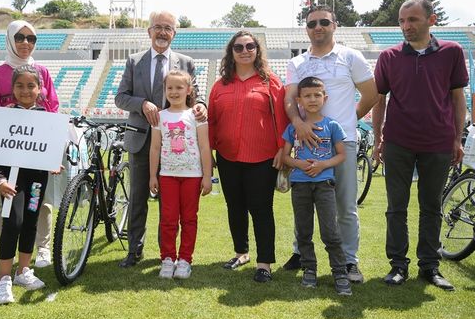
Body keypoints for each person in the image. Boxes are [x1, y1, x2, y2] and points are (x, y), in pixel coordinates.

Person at [371, 0, 468, 291]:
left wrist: (456, 138)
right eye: (402, 21)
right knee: (395, 207)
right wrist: (378, 138)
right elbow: (379, 100)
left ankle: (430, 266)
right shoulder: (388, 57)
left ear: (431, 20)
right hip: (398, 142)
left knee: (431, 207)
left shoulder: (452, 52)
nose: (406, 26)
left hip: (438, 143)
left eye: (412, 19)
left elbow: (457, 98)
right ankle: (398, 266)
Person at [283, 5, 378, 283]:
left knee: (345, 206)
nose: (318, 27)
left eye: (324, 22)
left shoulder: (351, 56)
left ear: (335, 25)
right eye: (312, 24)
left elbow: (371, 95)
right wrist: (298, 123)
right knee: (303, 202)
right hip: (306, 143)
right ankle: (301, 253)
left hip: (343, 143)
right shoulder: (297, 63)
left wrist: (347, 121)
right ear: (307, 29)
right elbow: (290, 99)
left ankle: (349, 261)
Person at [114, 11, 207, 268]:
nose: (163, 32)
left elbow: (196, 95)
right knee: (138, 198)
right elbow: (120, 97)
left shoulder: (186, 62)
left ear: (174, 33)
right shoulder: (134, 61)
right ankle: (135, 250)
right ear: (149, 32)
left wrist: (201, 105)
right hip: (142, 141)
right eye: (158, 27)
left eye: (168, 28)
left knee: (171, 205)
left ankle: (166, 255)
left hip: (178, 144)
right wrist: (142, 103)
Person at [208, 30, 288, 283]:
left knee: (261, 209)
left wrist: (282, 149)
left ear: (257, 50)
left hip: (263, 157)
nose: (245, 51)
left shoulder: (271, 82)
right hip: (227, 156)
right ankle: (241, 252)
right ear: (231, 52)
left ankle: (264, 262)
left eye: (250, 46)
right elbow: (212, 122)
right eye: (239, 47)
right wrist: (208, 154)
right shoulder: (220, 85)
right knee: (235, 207)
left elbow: (283, 120)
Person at [0, 20, 60, 268]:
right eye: (20, 37)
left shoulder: (43, 71)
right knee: (7, 204)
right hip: (9, 155)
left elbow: (53, 108)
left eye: (31, 38)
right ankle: (7, 251)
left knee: (40, 204)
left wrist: (50, 152)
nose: (26, 43)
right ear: (9, 39)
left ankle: (42, 248)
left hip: (37, 155)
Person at [0, 65, 63, 304]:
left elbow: (50, 151)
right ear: (12, 88)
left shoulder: (46, 117)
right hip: (12, 181)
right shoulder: (4, 115)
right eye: (20, 85)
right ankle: (3, 279)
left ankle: (23, 271)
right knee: (13, 223)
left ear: (40, 88)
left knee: (31, 221)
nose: (25, 90)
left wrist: (53, 163)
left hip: (36, 182)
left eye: (31, 85)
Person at [282, 77, 351, 296]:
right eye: (307, 95)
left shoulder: (332, 125)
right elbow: (285, 157)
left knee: (330, 231)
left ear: (325, 98)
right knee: (303, 231)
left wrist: (322, 165)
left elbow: (341, 155)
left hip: (324, 184)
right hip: (300, 185)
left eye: (317, 95)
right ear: (299, 100)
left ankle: (339, 272)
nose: (312, 99)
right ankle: (309, 269)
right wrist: (298, 163)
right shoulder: (292, 129)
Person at [149, 70, 212, 279]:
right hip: (167, 176)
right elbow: (155, 148)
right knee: (167, 219)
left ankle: (185, 259)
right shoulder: (160, 116)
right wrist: (152, 175)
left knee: (188, 219)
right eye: (170, 88)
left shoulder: (196, 115)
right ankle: (167, 258)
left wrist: (206, 176)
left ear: (189, 90)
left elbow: (205, 147)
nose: (174, 92)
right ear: (164, 90)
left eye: (179, 87)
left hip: (192, 176)